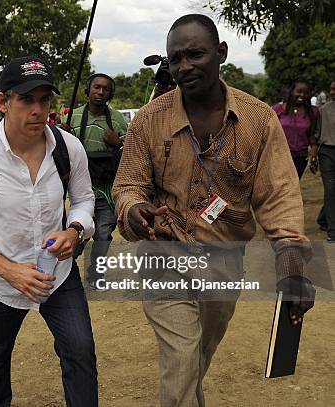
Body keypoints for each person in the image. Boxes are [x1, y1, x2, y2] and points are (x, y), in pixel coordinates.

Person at [112, 15, 315, 407]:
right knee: (182, 358)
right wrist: (134, 207)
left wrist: (292, 263)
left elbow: (279, 197)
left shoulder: (258, 120)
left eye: (195, 54)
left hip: (224, 262)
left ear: (220, 53)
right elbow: (128, 183)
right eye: (175, 59)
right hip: (164, 257)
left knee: (195, 361)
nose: (184, 66)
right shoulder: (149, 120)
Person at [0, 55, 98, 407]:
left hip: (57, 275)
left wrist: (75, 230)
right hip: (2, 279)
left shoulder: (68, 148)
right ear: (3, 102)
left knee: (80, 351)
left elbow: (84, 200)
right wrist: (8, 270)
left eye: (45, 99)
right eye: (27, 99)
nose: (38, 110)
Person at [63, 73, 127, 289]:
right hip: (81, 191)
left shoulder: (117, 120)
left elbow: (131, 152)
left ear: (111, 93)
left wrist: (117, 142)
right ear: (88, 89)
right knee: (79, 232)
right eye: (96, 87)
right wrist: (62, 136)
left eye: (106, 89)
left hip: (108, 191)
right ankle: (64, 268)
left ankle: (96, 275)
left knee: (102, 234)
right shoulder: (72, 117)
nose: (100, 92)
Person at [272, 80, 319, 179]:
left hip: (300, 157)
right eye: (299, 91)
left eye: (305, 93)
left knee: (293, 186)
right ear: (292, 92)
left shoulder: (312, 112)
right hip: (279, 156)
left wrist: (314, 153)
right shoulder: (278, 109)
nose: (302, 95)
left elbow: (311, 135)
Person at [317, 81, 335, 240]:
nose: (332, 91)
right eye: (331, 89)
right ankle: (332, 231)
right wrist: (314, 156)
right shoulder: (323, 110)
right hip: (327, 152)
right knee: (330, 190)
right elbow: (316, 134)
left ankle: (323, 218)